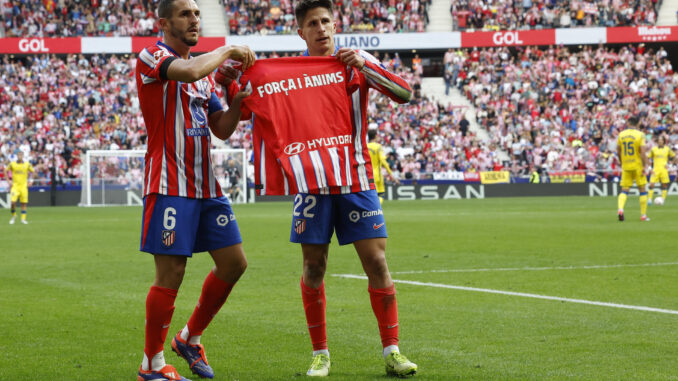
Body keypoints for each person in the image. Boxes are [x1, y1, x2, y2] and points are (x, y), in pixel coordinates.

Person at [220, 0, 417, 377]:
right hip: (310, 184)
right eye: (313, 23)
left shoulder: (354, 63)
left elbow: (405, 93)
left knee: (376, 262)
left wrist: (367, 67)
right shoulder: (283, 75)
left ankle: (392, 351)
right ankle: (320, 353)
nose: (322, 28)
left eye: (326, 20)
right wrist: (233, 69)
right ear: (301, 32)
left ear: (335, 24)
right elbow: (237, 102)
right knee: (314, 266)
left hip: (356, 178)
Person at [134, 0, 255, 380]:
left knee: (234, 263)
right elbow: (185, 71)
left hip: (206, 186)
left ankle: (189, 338)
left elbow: (220, 127)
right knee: (171, 272)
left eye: (198, 14)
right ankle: (151, 364)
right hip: (170, 184)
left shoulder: (204, 73)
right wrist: (228, 50)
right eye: (186, 14)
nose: (194, 20)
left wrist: (236, 102)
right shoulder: (152, 55)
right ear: (164, 21)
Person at [616, 116, 650, 221]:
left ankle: (620, 209)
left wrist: (622, 162)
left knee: (624, 190)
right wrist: (645, 166)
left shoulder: (621, 134)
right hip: (637, 165)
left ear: (628, 123)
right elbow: (643, 152)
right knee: (642, 190)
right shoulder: (640, 135)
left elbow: (618, 150)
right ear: (637, 124)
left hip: (626, 165)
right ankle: (643, 215)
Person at [368, 129, 399, 203]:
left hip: (367, 175)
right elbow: (383, 162)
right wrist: (391, 175)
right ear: (375, 136)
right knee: (380, 195)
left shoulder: (365, 146)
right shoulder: (378, 146)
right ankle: (376, 212)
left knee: (369, 195)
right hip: (376, 175)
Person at [6, 151, 34, 225]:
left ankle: (23, 219)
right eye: (19, 155)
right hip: (15, 186)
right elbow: (5, 170)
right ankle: (14, 216)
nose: (20, 156)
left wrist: (31, 181)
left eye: (21, 155)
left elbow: (33, 171)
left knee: (23, 203)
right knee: (12, 202)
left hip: (24, 187)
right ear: (17, 156)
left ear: (23, 156)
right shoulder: (12, 164)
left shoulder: (27, 164)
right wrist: (8, 181)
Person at [647, 134, 675, 204]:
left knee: (664, 185)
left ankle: (663, 199)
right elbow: (647, 158)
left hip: (664, 169)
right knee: (651, 184)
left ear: (664, 141)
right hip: (655, 169)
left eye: (661, 140)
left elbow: (674, 156)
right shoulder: (653, 149)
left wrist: (670, 165)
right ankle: (649, 199)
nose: (660, 141)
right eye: (659, 140)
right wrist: (650, 167)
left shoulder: (667, 149)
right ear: (657, 141)